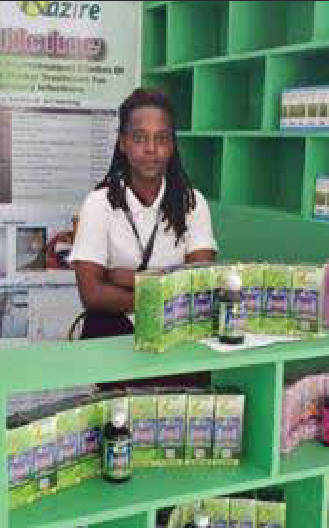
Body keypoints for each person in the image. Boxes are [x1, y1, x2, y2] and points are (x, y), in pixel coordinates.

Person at [68, 87, 217, 339]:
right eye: (139, 138)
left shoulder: (192, 203)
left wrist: (125, 278)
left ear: (172, 145)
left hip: (174, 332)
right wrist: (167, 292)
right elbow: (92, 295)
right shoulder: (99, 203)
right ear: (123, 143)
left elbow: (198, 287)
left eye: (162, 138)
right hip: (112, 330)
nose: (151, 149)